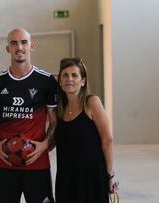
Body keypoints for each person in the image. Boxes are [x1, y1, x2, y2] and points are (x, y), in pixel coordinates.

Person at [0, 28, 57, 203]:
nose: (19, 47)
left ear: (32, 46)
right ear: (8, 48)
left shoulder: (46, 81)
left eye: (23, 42)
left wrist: (44, 145)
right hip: (5, 161)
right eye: (14, 43)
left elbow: (54, 122)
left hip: (37, 163)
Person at [54, 57, 117, 202]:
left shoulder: (91, 103)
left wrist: (110, 175)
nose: (69, 79)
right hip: (66, 178)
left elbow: (107, 141)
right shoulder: (59, 110)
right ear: (60, 81)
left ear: (83, 81)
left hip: (91, 177)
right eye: (65, 75)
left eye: (74, 75)